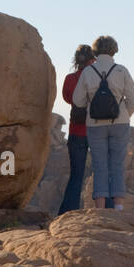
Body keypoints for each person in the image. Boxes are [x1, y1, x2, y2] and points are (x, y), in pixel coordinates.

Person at [72, 35, 134, 210]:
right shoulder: (121, 70)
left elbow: (77, 100)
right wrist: (124, 114)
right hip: (120, 123)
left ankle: (100, 208)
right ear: (113, 50)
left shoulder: (88, 72)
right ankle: (118, 208)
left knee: (99, 164)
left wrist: (91, 104)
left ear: (95, 50)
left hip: (95, 124)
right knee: (117, 163)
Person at [58, 45, 95, 214]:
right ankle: (105, 211)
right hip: (96, 131)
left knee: (76, 175)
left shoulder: (70, 78)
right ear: (92, 59)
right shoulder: (96, 78)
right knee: (102, 172)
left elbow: (67, 98)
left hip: (76, 131)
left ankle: (68, 212)